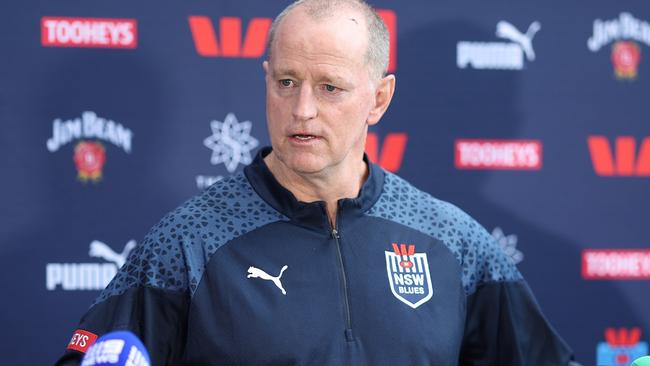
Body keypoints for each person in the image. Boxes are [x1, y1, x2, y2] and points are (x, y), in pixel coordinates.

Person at [56, 0, 578, 365]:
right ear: (266, 79)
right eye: (286, 82)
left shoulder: (453, 241)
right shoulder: (186, 241)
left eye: (330, 88)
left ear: (379, 98)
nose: (302, 110)